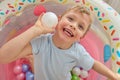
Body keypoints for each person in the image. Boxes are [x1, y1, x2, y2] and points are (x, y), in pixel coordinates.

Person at [0, 5, 120, 80]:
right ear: (58, 20)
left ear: (80, 37)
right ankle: (33, 61)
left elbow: (94, 64)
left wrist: (113, 76)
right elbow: (3, 57)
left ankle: (33, 60)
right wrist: (34, 30)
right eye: (70, 19)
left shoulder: (78, 51)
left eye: (80, 26)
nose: (73, 25)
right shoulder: (41, 42)